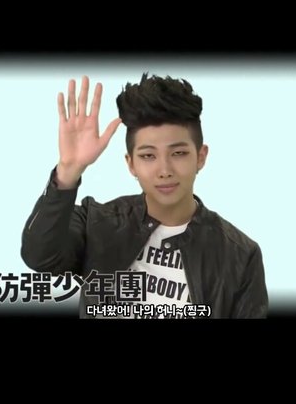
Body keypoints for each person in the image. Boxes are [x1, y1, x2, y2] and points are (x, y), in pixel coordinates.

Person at [21, 73, 268, 318]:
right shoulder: (96, 222)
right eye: (148, 156)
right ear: (131, 164)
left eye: (178, 153)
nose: (164, 170)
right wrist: (68, 171)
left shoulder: (239, 255)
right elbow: (40, 257)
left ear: (200, 157)